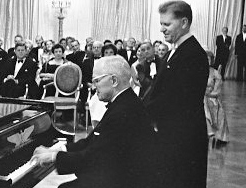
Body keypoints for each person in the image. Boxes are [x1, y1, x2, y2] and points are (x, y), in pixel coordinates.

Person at [31, 56, 155, 188]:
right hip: (117, 173)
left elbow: (95, 157)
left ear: (113, 80)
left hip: (123, 180)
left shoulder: (124, 111)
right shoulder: (124, 102)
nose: (94, 86)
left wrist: (55, 157)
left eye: (97, 80)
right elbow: (92, 142)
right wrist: (59, 149)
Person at [144, 0, 209, 187]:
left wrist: (140, 114)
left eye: (167, 24)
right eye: (161, 24)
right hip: (174, 133)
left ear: (184, 23)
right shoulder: (177, 51)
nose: (162, 29)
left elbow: (175, 98)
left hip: (183, 137)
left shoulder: (192, 54)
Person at [204, 51, 229, 147]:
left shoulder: (215, 73)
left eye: (208, 59)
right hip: (202, 98)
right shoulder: (199, 71)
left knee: (218, 113)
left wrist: (208, 94)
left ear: (212, 60)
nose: (206, 61)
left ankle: (218, 136)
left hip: (212, 98)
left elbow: (217, 90)